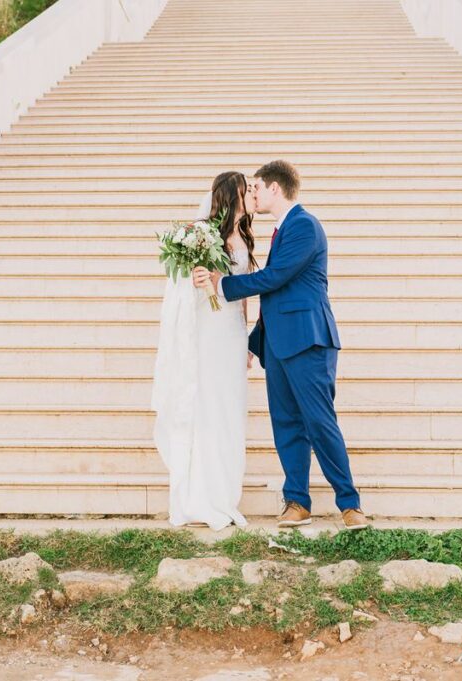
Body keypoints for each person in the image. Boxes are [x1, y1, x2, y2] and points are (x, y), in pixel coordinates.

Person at [193, 160, 370, 531]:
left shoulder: (304, 225)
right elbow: (277, 295)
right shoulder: (280, 230)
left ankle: (350, 504)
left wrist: (221, 284)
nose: (252, 194)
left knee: (320, 422)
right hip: (278, 345)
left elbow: (276, 279)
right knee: (286, 425)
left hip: (309, 340)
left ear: (275, 188)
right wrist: (255, 343)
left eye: (257, 187)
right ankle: (297, 502)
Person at [151, 171, 258, 531]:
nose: (252, 196)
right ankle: (199, 497)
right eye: (247, 191)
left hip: (230, 335)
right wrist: (194, 281)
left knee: (230, 411)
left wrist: (244, 340)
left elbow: (240, 293)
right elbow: (188, 286)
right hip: (207, 335)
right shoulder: (203, 234)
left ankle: (224, 494)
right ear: (233, 196)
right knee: (207, 409)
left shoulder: (242, 236)